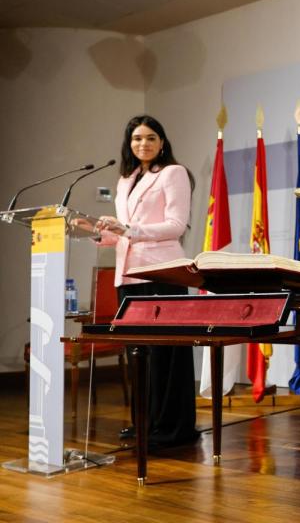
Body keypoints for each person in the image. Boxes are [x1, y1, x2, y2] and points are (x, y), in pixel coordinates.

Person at [92, 115, 199, 449]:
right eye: (137, 138)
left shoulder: (173, 173)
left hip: (161, 273)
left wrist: (129, 231)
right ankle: (145, 422)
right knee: (139, 353)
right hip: (128, 273)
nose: (144, 144)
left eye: (151, 137)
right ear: (129, 144)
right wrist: (103, 233)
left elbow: (176, 225)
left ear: (162, 142)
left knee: (165, 352)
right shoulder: (126, 179)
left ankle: (172, 427)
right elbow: (127, 230)